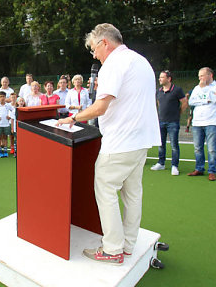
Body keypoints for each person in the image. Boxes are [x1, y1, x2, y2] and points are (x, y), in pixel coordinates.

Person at [57, 23, 160, 265]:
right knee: (133, 193)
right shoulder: (141, 61)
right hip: (141, 140)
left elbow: (101, 107)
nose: (94, 55)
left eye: (94, 49)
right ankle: (127, 245)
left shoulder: (114, 64)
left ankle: (112, 249)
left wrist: (72, 118)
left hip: (120, 142)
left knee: (105, 188)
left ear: (105, 42)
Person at [187, 67, 216, 181]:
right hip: (197, 122)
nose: (200, 78)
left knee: (212, 148)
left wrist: (205, 91)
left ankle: (212, 171)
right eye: (199, 76)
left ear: (210, 75)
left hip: (212, 122)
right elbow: (191, 102)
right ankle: (199, 168)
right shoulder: (197, 88)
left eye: (202, 76)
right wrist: (205, 100)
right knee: (197, 147)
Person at [150, 70, 187, 175]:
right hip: (161, 121)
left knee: (174, 145)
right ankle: (161, 163)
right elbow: (158, 104)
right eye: (159, 77)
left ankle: (174, 166)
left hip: (173, 122)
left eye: (162, 77)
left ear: (169, 78)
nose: (159, 79)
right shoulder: (158, 91)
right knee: (160, 144)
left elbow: (184, 103)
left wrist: (178, 113)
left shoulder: (177, 90)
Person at [0, 91, 14, 157]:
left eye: (3, 96)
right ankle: (0, 151)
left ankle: (5, 151)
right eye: (1, 97)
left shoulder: (8, 105)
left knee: (5, 137)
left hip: (6, 124)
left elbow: (13, 111)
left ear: (5, 97)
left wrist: (10, 116)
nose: (2, 98)